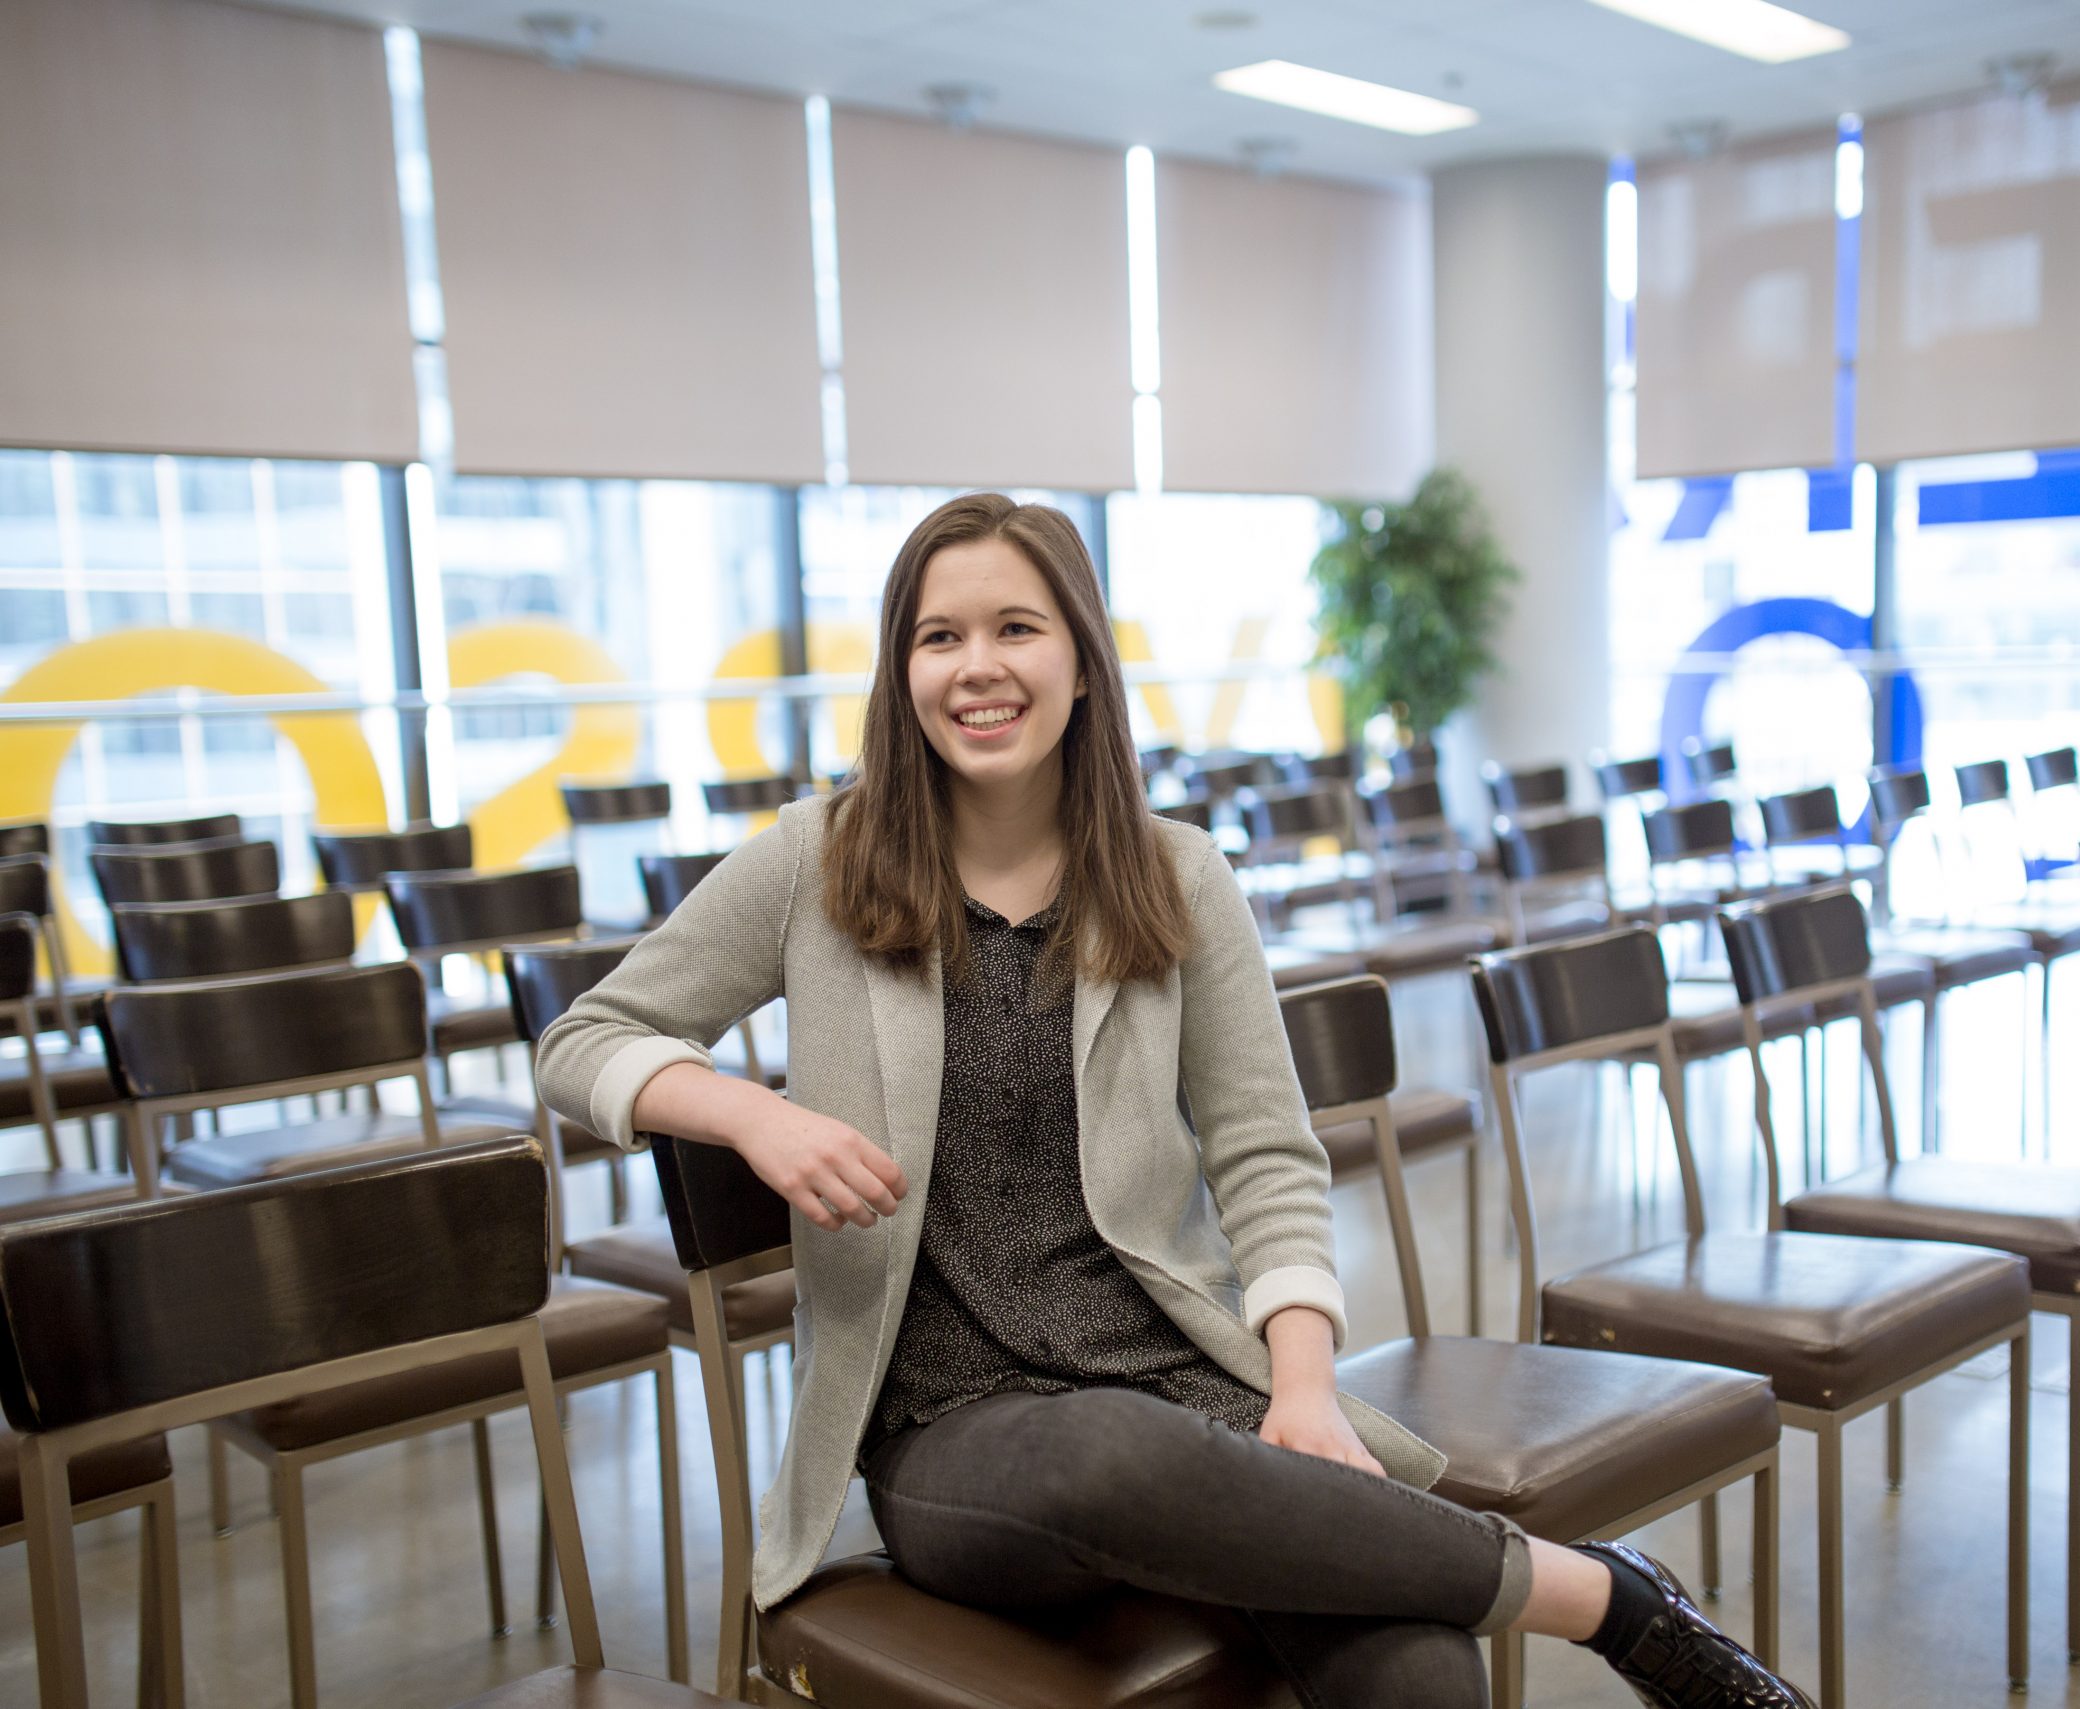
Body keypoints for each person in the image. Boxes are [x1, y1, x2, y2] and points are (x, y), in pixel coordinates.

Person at [536, 492, 1809, 1709]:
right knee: (1108, 1453)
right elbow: (585, 1037)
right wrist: (752, 1114)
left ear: (1082, 663)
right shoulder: (818, 860)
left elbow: (1265, 1151)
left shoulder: (1175, 874)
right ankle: (1608, 1598)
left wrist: (1301, 1388)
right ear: (902, 672)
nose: (976, 665)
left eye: (1015, 628)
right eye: (940, 636)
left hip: (1183, 1378)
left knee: (1416, 1662)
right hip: (957, 1432)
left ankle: (1573, 1593)